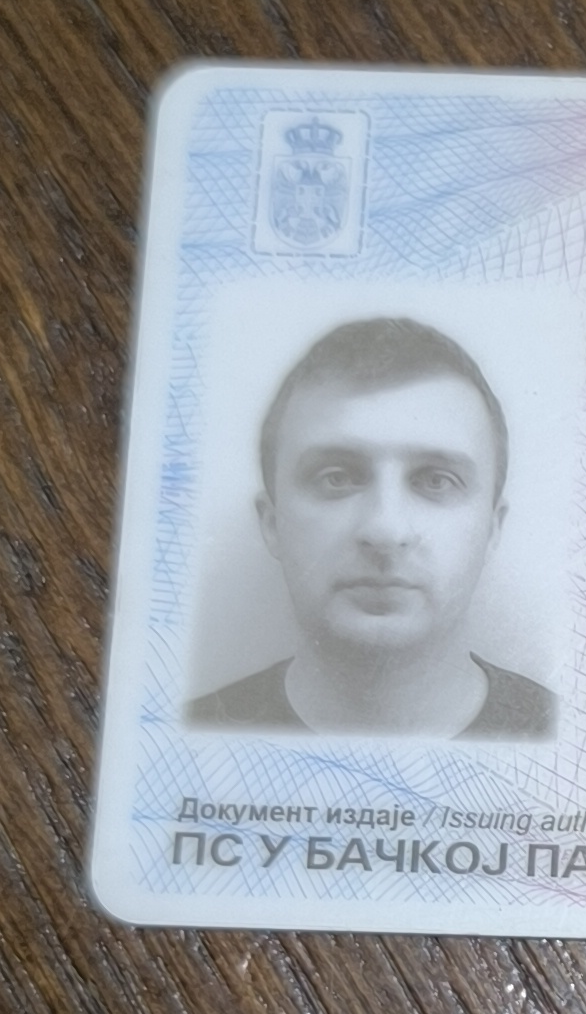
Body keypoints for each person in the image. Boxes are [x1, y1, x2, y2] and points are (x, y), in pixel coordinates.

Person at [188, 316, 555, 737]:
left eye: (436, 481)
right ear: (272, 524)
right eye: (337, 477)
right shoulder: (189, 734)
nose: (385, 531)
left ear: (492, 529)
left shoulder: (572, 739)